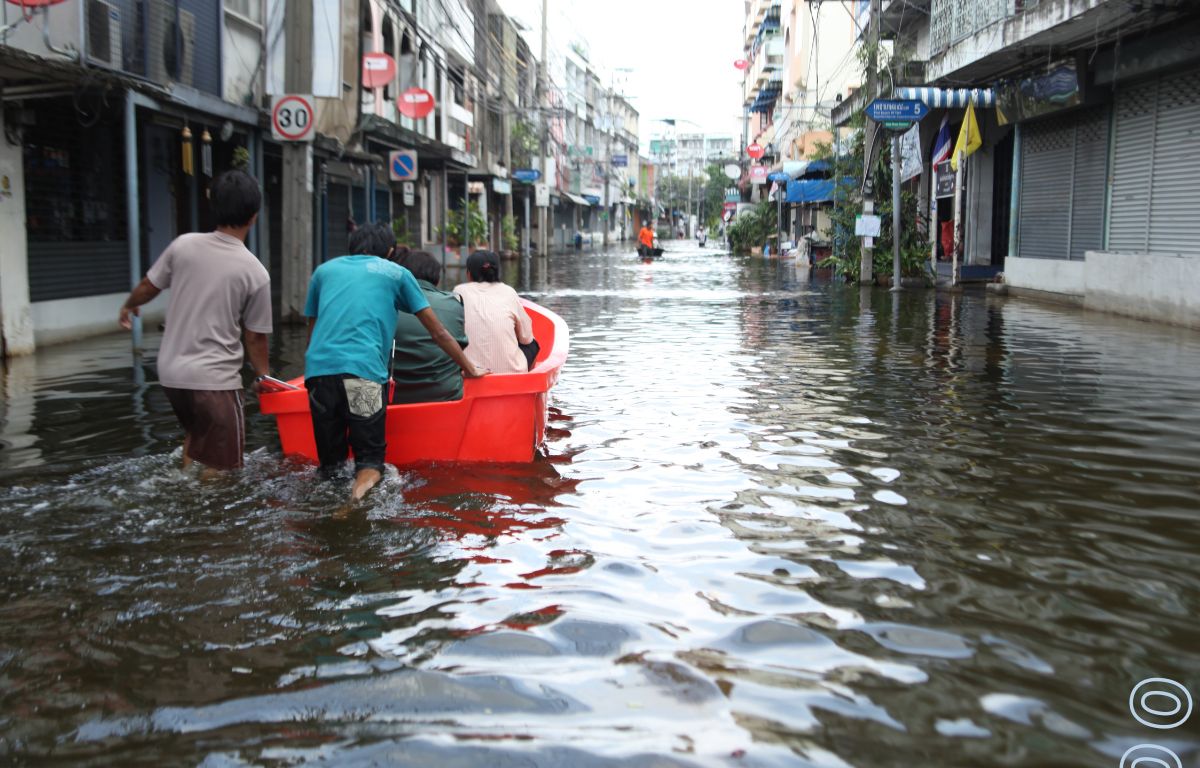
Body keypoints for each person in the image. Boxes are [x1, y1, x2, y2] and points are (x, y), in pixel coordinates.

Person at [304, 223, 485, 501]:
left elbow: (313, 332)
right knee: (370, 463)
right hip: (362, 378)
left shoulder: (323, 272)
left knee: (331, 466)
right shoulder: (396, 273)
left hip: (319, 376)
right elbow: (438, 332)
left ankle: (327, 508)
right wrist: (470, 368)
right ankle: (355, 502)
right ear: (390, 251)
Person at [118, 169, 270, 475]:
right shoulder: (255, 272)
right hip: (214, 381)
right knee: (223, 466)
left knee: (198, 437)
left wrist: (129, 305)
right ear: (253, 217)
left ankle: (186, 488)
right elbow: (254, 337)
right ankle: (200, 512)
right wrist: (265, 378)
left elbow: (149, 285)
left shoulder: (183, 245)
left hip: (172, 375)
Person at [390, 250, 469, 405]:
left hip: (395, 397)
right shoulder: (453, 303)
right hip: (445, 395)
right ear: (437, 279)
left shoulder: (386, 303)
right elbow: (460, 346)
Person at [453, 251, 534, 375]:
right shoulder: (509, 292)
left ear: (469, 274)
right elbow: (526, 338)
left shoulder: (458, 291)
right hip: (511, 374)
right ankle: (528, 380)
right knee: (533, 345)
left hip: (470, 373)